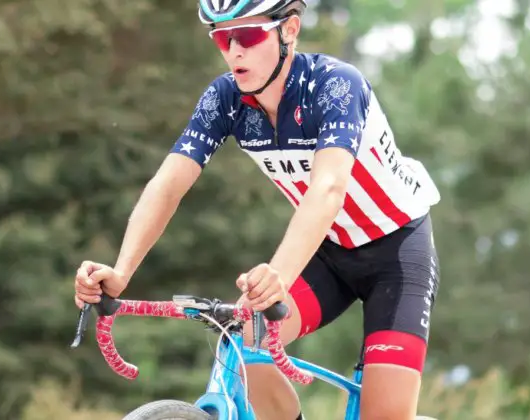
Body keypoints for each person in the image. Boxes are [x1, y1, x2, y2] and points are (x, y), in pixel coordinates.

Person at [74, 1, 442, 419]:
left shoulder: (336, 85)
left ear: (289, 30)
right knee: (245, 340)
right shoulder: (226, 98)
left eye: (247, 35)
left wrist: (279, 276)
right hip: (328, 251)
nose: (234, 51)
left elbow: (328, 189)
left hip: (396, 254)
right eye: (221, 37)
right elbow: (167, 185)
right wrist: (122, 271)